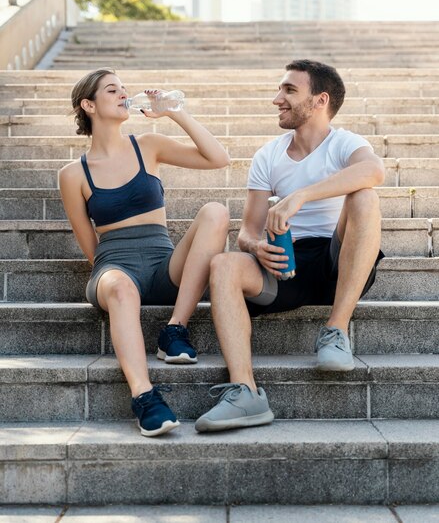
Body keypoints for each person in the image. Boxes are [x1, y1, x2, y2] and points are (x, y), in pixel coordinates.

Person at [195, 59, 385, 433]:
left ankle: (336, 329)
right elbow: (247, 231)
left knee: (365, 198)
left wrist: (299, 196)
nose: (276, 99)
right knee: (223, 264)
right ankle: (245, 392)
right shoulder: (268, 155)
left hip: (339, 262)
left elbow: (374, 171)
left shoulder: (345, 143)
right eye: (280, 90)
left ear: (319, 100)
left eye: (288, 90)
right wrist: (255, 247)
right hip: (287, 264)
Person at [59, 68, 230, 437]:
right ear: (88, 104)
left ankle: (175, 329)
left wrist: (173, 112)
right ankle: (145, 398)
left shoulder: (148, 145)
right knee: (120, 288)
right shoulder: (73, 173)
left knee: (216, 212)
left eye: (124, 88)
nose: (123, 94)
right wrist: (114, 279)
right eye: (111, 90)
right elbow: (88, 241)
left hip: (163, 265)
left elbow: (218, 159)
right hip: (116, 268)